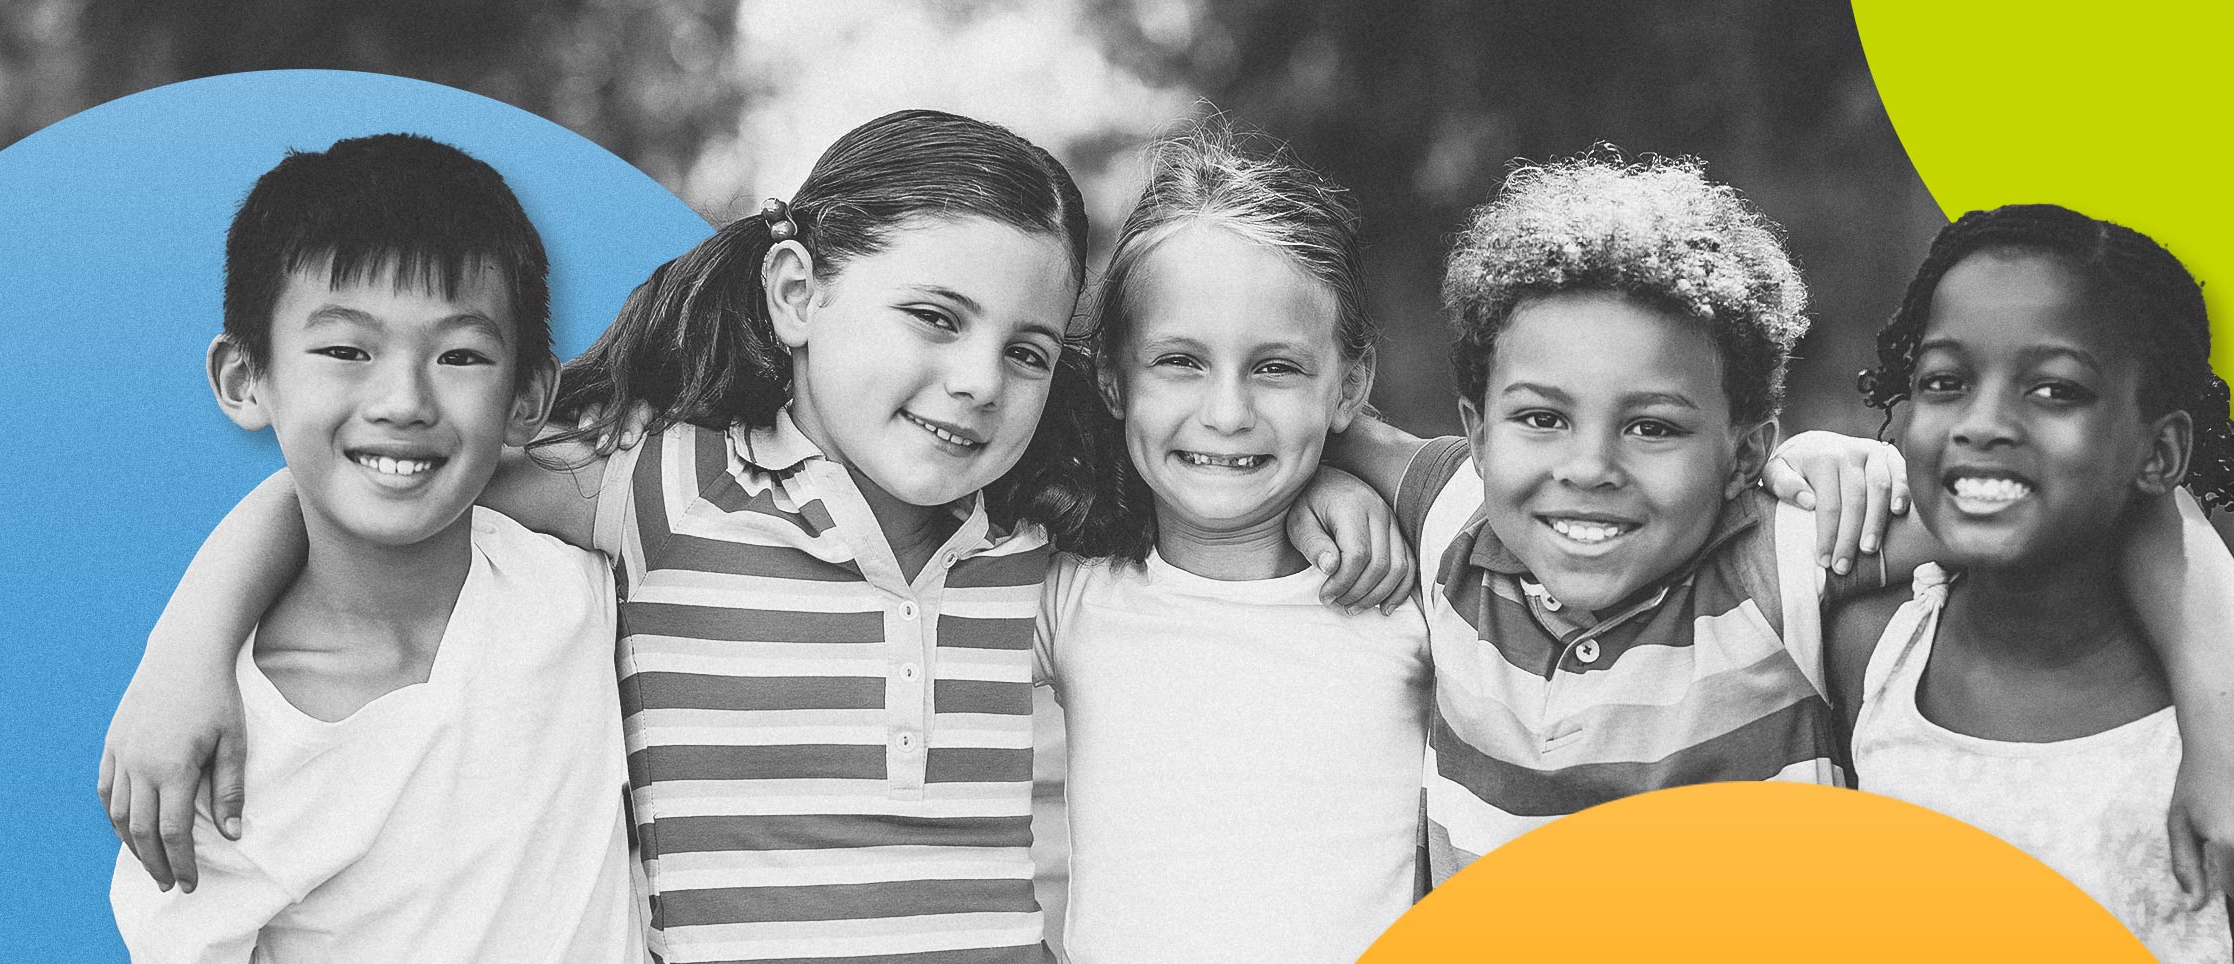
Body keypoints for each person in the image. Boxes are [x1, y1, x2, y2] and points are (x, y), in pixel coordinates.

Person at [98, 110, 1406, 964]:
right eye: (931, 320)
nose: (974, 382)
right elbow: (386, 473)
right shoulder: (662, 494)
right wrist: (187, 647)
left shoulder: (1038, 534)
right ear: (795, 294)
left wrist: (1328, 485)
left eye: (1020, 350)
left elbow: (1216, 470)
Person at [1326, 155, 2234, 892]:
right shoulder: (1454, 508)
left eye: (1653, 425)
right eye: (1542, 417)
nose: (1587, 467)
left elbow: (2115, 505)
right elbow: (1297, 424)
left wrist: (2230, 710)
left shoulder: (1785, 553)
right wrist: (1330, 485)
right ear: (1474, 428)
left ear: (1746, 450)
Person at [106, 132, 643, 963]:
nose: (403, 400)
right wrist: (183, 656)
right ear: (246, 380)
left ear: (530, 395)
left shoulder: (580, 592)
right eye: (346, 350)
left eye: (460, 355)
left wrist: (185, 640)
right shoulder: (220, 749)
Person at [1829, 203, 2234, 962]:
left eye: (2056, 390)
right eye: (1944, 381)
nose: (1983, 422)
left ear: (2159, 453)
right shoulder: (1872, 654)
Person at [1035, 122, 1429, 963]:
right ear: (1112, 376)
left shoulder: (1410, 594)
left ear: (1349, 385)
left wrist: (1788, 474)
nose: (1227, 412)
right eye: (1179, 360)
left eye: (1276, 368)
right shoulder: (1071, 593)